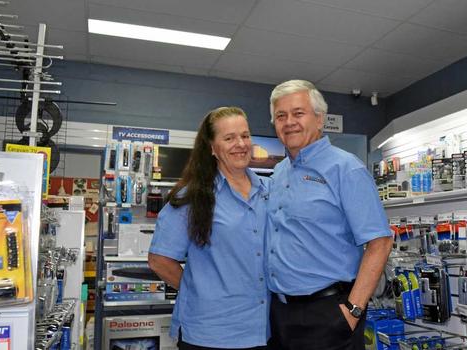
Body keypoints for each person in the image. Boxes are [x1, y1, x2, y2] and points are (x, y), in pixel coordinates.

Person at [265, 80, 393, 350]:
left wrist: (353, 311)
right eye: (281, 115)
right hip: (278, 314)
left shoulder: (346, 169)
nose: (289, 122)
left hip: (328, 314)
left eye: (298, 113)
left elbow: (379, 243)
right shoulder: (278, 174)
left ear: (320, 119)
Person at [148, 107, 270, 350]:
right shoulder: (192, 197)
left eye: (245, 136)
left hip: (263, 330)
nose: (240, 144)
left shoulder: (269, 190)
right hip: (209, 333)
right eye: (229, 138)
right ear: (212, 148)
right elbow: (159, 260)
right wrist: (200, 289)